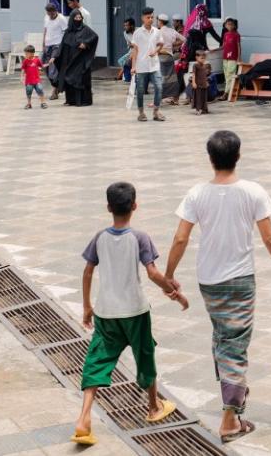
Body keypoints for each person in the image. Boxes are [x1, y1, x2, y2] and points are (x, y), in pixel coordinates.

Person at [165, 131, 271, 443]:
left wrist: (169, 275)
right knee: (235, 345)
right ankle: (230, 417)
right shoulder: (253, 192)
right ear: (238, 156)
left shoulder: (197, 194)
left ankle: (234, 401)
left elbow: (180, 238)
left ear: (210, 159)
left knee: (223, 338)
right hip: (240, 280)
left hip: (209, 281)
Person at [71, 182, 187, 447]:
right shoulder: (140, 237)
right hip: (135, 311)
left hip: (106, 312)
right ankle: (153, 407)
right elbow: (153, 272)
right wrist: (174, 291)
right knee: (144, 354)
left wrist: (87, 306)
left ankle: (84, 418)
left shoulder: (99, 237)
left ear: (108, 207)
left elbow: (88, 271)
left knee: (97, 360)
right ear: (135, 206)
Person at [56, 9, 98, 106]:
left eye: (80, 18)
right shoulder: (68, 31)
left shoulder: (85, 29)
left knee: (79, 79)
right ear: (72, 19)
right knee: (68, 77)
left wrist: (86, 44)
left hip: (81, 60)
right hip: (69, 59)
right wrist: (56, 56)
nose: (78, 20)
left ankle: (83, 101)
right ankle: (71, 100)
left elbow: (94, 37)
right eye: (76, 18)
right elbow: (63, 45)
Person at [131, 7, 166, 123]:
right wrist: (133, 66)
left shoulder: (157, 31)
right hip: (141, 66)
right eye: (148, 17)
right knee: (140, 90)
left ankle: (156, 111)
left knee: (159, 87)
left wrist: (155, 51)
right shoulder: (137, 33)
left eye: (152, 17)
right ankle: (141, 113)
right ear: (143, 18)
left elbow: (160, 44)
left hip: (154, 65)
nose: (150, 19)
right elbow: (134, 51)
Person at [42, 3, 68, 99]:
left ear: (55, 11)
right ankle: (57, 85)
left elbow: (66, 32)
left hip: (57, 45)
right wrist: (43, 44)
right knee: (44, 67)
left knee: (52, 68)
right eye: (48, 14)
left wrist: (63, 46)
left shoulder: (61, 19)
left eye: (52, 13)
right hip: (47, 45)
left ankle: (55, 90)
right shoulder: (46, 17)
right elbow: (45, 30)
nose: (50, 16)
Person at [157, 14, 184, 104]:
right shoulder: (172, 31)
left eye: (157, 21)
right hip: (169, 57)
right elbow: (184, 39)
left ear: (160, 21)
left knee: (160, 79)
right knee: (172, 79)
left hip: (161, 57)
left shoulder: (158, 32)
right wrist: (173, 45)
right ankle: (175, 98)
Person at [219, 17, 241, 101]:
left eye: (231, 24)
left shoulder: (236, 35)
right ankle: (228, 91)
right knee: (226, 75)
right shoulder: (225, 34)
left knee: (230, 75)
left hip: (233, 58)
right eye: (227, 24)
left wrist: (239, 57)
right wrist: (213, 50)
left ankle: (226, 93)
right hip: (225, 57)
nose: (229, 26)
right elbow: (223, 46)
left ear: (234, 26)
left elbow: (238, 47)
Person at [21, 45, 48, 110]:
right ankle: (29, 104)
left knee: (40, 90)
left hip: (36, 80)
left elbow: (42, 66)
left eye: (27, 53)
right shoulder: (25, 61)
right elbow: (23, 69)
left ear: (32, 53)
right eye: (25, 53)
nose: (25, 55)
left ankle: (43, 102)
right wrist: (22, 77)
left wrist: (47, 65)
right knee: (28, 91)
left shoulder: (37, 60)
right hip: (29, 81)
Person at [189, 51, 211, 115]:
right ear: (196, 58)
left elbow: (205, 75)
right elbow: (194, 74)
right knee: (198, 97)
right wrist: (193, 82)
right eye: (201, 58)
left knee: (204, 97)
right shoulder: (195, 65)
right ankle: (198, 109)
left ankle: (204, 108)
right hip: (198, 84)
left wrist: (206, 82)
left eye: (204, 58)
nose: (203, 60)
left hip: (204, 84)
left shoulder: (205, 66)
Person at [116, 18, 136, 83]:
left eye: (126, 25)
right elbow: (129, 44)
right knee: (121, 61)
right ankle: (124, 76)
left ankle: (121, 76)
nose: (125, 27)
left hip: (139, 51)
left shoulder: (138, 32)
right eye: (124, 26)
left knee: (128, 62)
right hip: (132, 50)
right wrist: (131, 45)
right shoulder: (125, 33)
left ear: (132, 26)